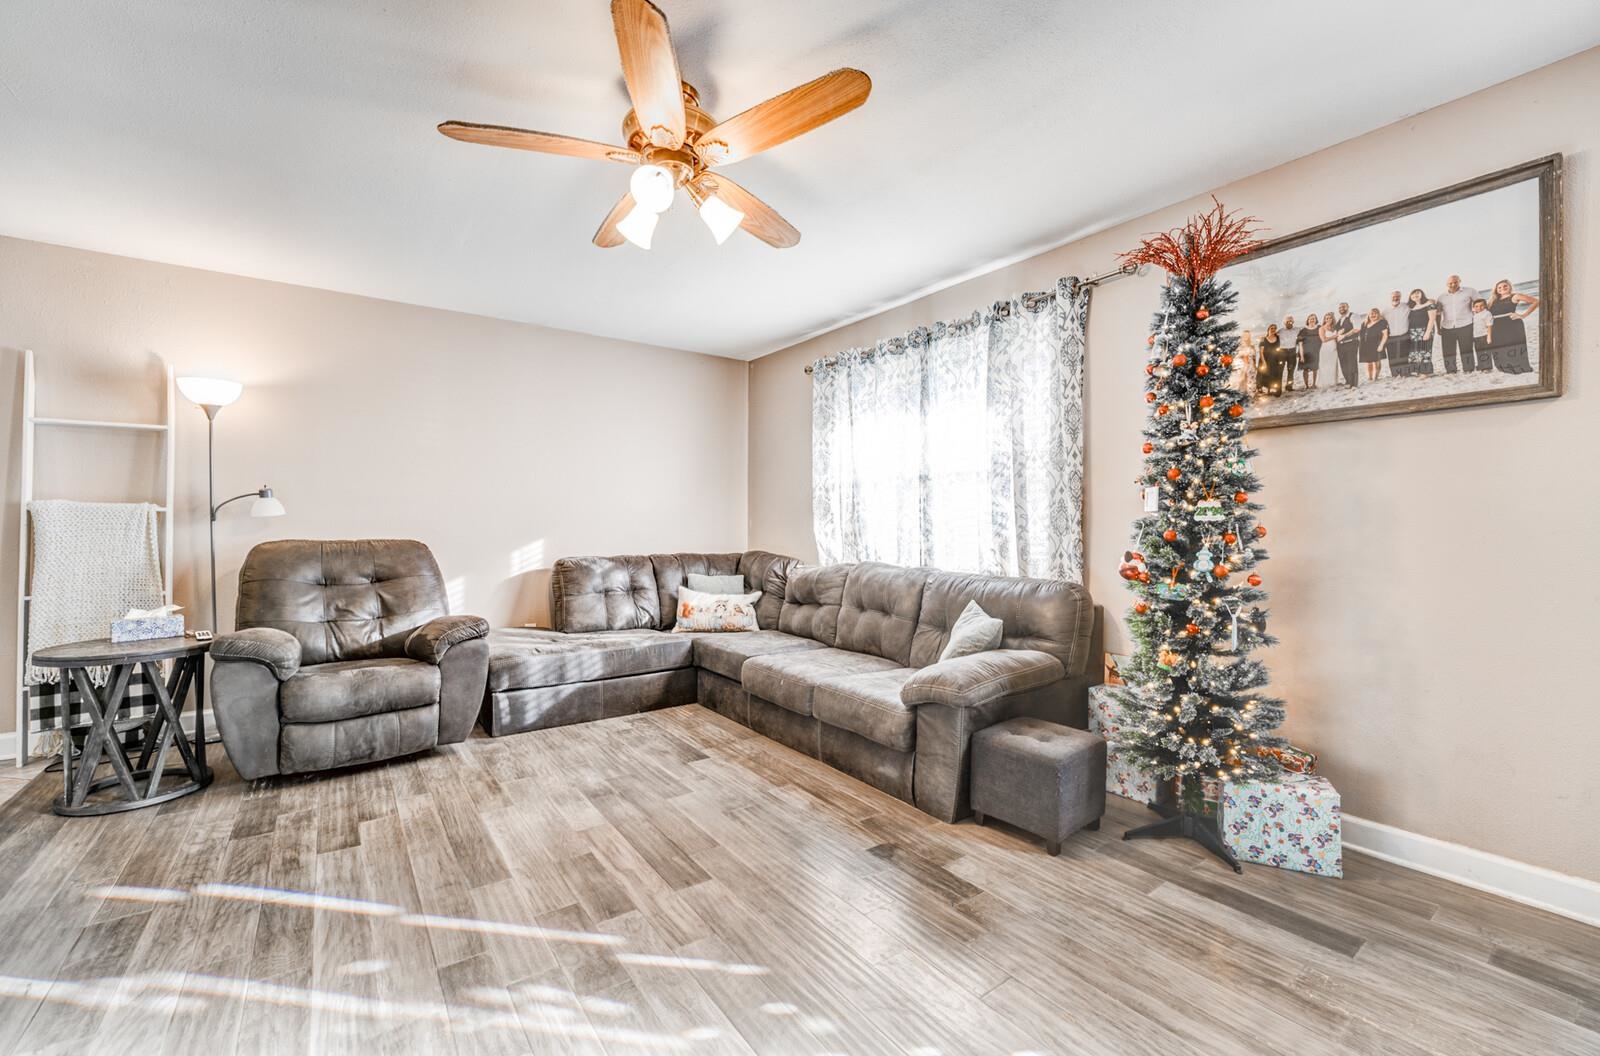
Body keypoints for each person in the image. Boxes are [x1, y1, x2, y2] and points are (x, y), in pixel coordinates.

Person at [1487, 278, 1539, 374]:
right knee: (1500, 346)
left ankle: (1519, 368)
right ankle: (1504, 368)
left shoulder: (1515, 296)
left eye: (1505, 286)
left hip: (1511, 324)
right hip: (1496, 325)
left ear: (1510, 287)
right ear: (1496, 289)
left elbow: (1536, 301)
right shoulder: (1493, 299)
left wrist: (1523, 315)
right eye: (1499, 287)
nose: (1502, 288)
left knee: (1514, 346)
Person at [1436, 274, 1479, 373]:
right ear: (1447, 284)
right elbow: (1438, 314)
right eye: (1450, 283)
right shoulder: (1441, 297)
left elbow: (1480, 305)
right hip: (1447, 326)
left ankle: (1468, 369)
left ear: (1459, 281)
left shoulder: (1470, 291)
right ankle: (1451, 370)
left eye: (1455, 282)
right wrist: (1438, 327)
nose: (1453, 284)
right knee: (1448, 351)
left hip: (1466, 324)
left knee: (1466, 348)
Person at [1406, 289, 1437, 376]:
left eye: (1417, 293)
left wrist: (1427, 332)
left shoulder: (1429, 304)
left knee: (1425, 351)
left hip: (1425, 331)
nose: (1415, 296)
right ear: (1410, 297)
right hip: (1413, 333)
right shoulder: (1411, 307)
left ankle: (1425, 372)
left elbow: (1432, 319)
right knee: (1415, 352)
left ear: (1422, 294)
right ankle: (1416, 371)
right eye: (1413, 294)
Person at [1383, 291, 1412, 378]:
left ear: (1400, 297)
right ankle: (1395, 374)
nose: (1395, 298)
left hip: (1404, 334)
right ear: (1390, 298)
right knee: (1392, 356)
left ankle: (1405, 373)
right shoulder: (1385, 310)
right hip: (1391, 336)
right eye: (1394, 297)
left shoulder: (1407, 307)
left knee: (1404, 355)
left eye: (1397, 296)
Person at [1333, 302, 1360, 387]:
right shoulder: (1340, 319)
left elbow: (1356, 329)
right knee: (1343, 364)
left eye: (1343, 307)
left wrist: (1344, 335)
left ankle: (1354, 384)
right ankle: (1348, 381)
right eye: (1340, 307)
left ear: (1348, 307)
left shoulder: (1353, 316)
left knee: (1352, 363)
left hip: (1351, 342)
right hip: (1340, 345)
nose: (1341, 308)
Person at [1359, 307, 1388, 382]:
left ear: (1378, 314)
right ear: (1368, 314)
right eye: (1371, 313)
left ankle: (1376, 377)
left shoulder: (1382, 322)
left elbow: (1385, 335)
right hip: (1366, 345)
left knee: (1376, 361)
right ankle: (1370, 377)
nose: (1373, 315)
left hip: (1377, 344)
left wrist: (1381, 345)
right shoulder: (1364, 323)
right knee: (1368, 362)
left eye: (1375, 313)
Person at [1296, 308, 1324, 389]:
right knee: (1305, 370)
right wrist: (1301, 356)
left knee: (1315, 369)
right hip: (1305, 353)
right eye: (1310, 319)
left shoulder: (1319, 328)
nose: (1312, 320)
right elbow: (1300, 344)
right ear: (1307, 320)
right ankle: (1307, 385)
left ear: (1316, 320)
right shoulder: (1303, 331)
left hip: (1316, 352)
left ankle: (1314, 384)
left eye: (1314, 318)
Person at [1257, 323, 1283, 395]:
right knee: (1265, 375)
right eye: (1271, 328)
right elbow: (1261, 352)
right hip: (1265, 359)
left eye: (1275, 328)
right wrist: (1264, 363)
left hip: (1275, 359)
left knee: (1274, 374)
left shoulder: (1278, 338)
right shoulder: (1263, 339)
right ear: (1268, 329)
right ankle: (1264, 389)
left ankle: (1272, 389)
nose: (1273, 330)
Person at [1470, 297, 1493, 373]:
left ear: (1485, 306)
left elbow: (1489, 325)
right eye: (1476, 306)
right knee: (1478, 351)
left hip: (1484, 335)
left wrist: (1489, 337)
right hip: (1476, 336)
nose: (1479, 308)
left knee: (1486, 352)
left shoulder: (1487, 313)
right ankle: (1481, 365)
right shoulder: (1474, 315)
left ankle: (1487, 367)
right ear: (1473, 308)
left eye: (1481, 305)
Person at [1278, 315, 1300, 392]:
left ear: (1293, 322)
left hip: (1292, 351)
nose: (1289, 323)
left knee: (1291, 370)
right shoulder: (1280, 331)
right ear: (1284, 322)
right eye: (1287, 321)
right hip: (1282, 352)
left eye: (1291, 321)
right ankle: (1278, 387)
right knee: (1280, 370)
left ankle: (1289, 386)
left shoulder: (1297, 330)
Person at [1235, 330, 1259, 397]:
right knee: (1243, 379)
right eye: (1245, 335)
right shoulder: (1239, 345)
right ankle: (1242, 394)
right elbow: (1236, 355)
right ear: (1243, 335)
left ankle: (1251, 394)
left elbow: (1254, 356)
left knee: (1251, 379)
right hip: (1242, 364)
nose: (1246, 336)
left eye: (1248, 335)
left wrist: (1254, 365)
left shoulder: (1252, 345)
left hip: (1251, 364)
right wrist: (1243, 358)